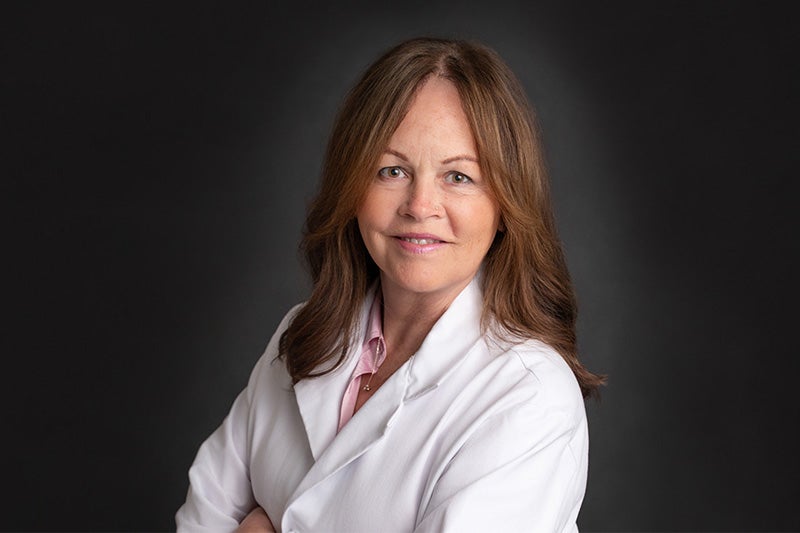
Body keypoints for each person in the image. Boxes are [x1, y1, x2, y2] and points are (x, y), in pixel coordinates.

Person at [176, 37, 605, 532]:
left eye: (459, 177)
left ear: (506, 204)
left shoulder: (529, 397)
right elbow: (201, 515)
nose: (420, 206)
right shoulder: (302, 334)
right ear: (352, 188)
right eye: (392, 170)